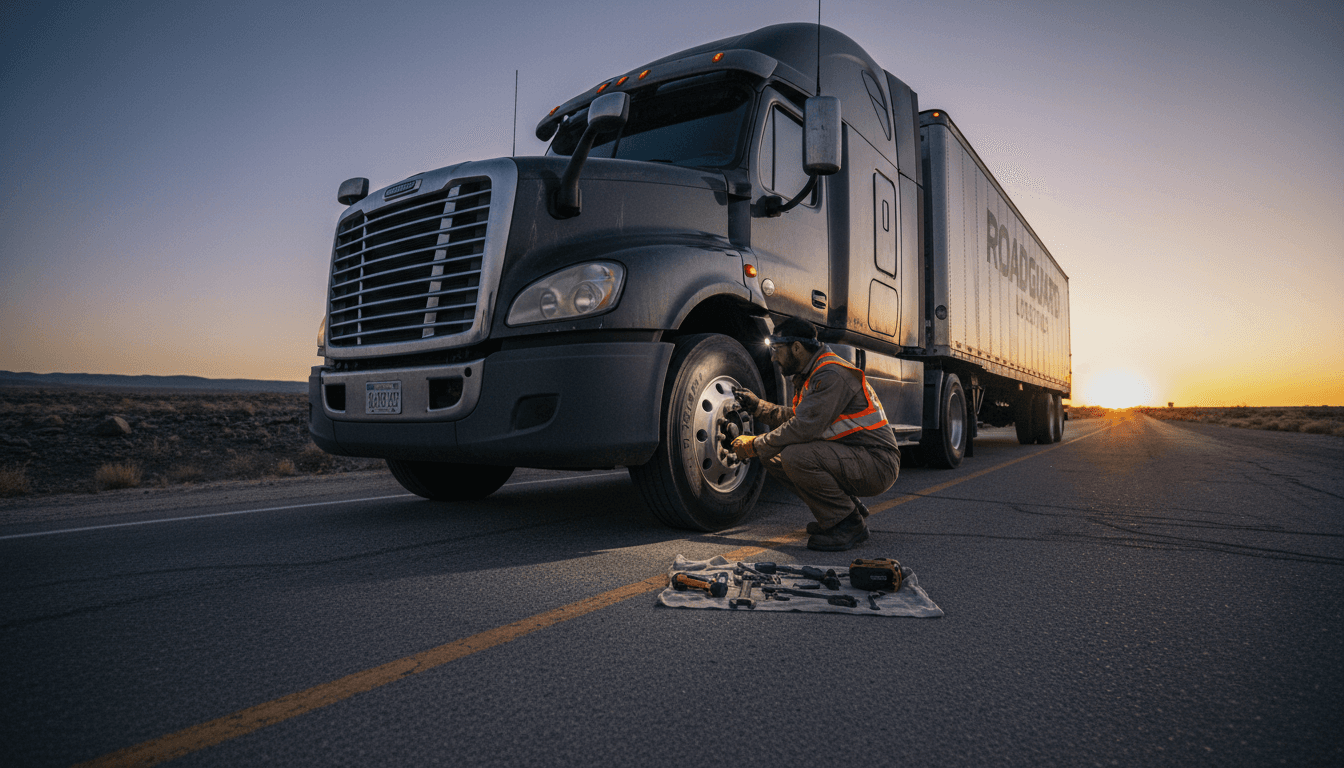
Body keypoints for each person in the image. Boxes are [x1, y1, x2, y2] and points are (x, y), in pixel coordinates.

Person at [730, 317, 900, 551]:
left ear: (797, 348)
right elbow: (800, 418)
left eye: (777, 350)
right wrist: (759, 407)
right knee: (773, 456)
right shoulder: (813, 372)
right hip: (856, 455)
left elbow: (803, 427)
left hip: (878, 463)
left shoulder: (831, 374)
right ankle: (842, 510)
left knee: (795, 456)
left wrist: (754, 445)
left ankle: (848, 523)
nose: (772, 358)